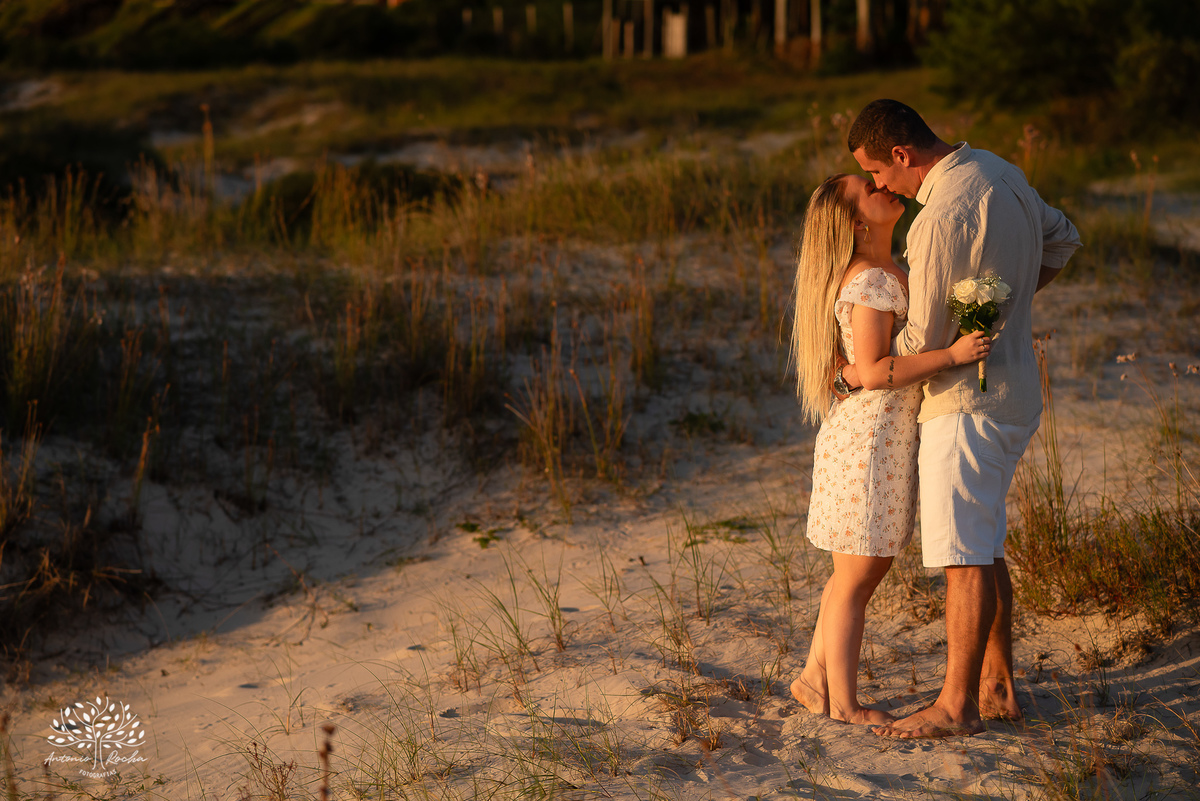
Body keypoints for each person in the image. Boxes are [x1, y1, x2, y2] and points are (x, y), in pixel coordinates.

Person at [840, 99, 1081, 738]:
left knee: (964, 551)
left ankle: (956, 705)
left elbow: (923, 335)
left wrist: (863, 368)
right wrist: (1006, 304)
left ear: (901, 153)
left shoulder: (939, 217)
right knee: (985, 536)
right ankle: (996, 682)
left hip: (966, 403)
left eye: (880, 172)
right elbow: (1063, 238)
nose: (881, 186)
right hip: (1018, 392)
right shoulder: (1002, 172)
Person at [787, 173, 991, 725]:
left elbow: (854, 367)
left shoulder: (878, 271)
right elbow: (876, 371)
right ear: (857, 221)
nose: (883, 184)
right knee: (858, 577)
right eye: (867, 189)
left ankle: (813, 678)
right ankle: (846, 705)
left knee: (850, 574)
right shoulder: (874, 278)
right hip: (872, 440)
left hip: (867, 434)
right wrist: (952, 356)